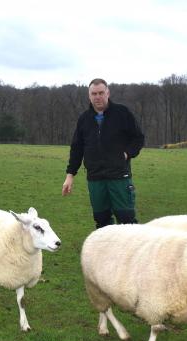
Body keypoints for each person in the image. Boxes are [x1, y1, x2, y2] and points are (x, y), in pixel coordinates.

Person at [63, 78, 145, 228]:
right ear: (89, 96)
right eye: (94, 93)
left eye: (101, 93)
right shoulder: (84, 119)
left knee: (127, 221)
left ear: (108, 93)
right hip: (95, 179)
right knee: (102, 222)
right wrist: (70, 175)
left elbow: (138, 138)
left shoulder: (122, 113)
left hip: (119, 176)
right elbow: (77, 148)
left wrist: (127, 154)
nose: (97, 97)